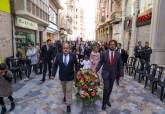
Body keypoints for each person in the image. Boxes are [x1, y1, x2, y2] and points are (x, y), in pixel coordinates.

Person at [95, 40, 124, 110]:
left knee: (110, 89)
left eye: (113, 44)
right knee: (106, 88)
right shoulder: (104, 53)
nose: (112, 45)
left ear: (115, 45)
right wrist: (96, 70)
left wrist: (121, 74)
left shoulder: (118, 54)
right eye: (111, 44)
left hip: (113, 74)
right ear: (108, 45)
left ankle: (107, 99)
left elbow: (120, 65)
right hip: (105, 74)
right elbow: (100, 62)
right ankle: (104, 103)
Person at [52, 42, 78, 113]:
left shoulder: (73, 55)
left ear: (69, 49)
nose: (65, 49)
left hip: (70, 76)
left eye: (67, 48)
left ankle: (68, 104)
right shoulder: (58, 56)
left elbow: (76, 64)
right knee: (64, 89)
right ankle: (65, 96)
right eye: (64, 48)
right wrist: (53, 74)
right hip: (62, 76)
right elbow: (55, 66)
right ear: (62, 49)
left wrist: (78, 71)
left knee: (69, 90)